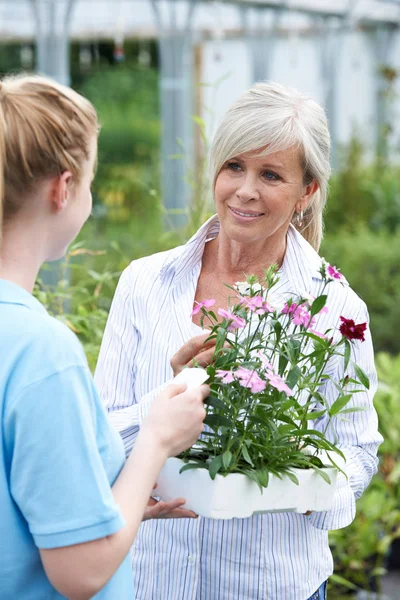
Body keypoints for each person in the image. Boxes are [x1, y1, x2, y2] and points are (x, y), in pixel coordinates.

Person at [95, 81, 383, 600]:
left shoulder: (335, 307)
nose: (244, 190)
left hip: (269, 584)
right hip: (149, 580)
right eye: (234, 167)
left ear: (307, 191)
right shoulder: (144, 283)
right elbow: (97, 439)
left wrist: (314, 486)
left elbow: (358, 451)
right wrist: (168, 402)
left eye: (270, 174)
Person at [0, 73, 209, 600]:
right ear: (63, 188)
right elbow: (81, 572)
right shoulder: (40, 352)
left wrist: (114, 500)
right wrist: (157, 439)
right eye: (91, 180)